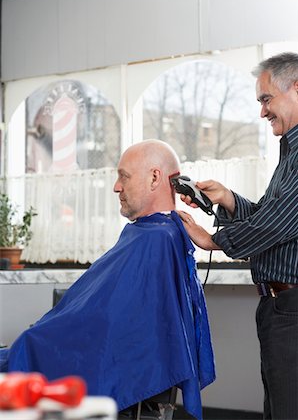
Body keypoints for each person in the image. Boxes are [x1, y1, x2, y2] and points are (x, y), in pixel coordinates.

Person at [0, 139, 215, 420]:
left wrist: (36, 339)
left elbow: (107, 327)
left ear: (154, 178)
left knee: (16, 360)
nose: (116, 186)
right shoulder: (153, 234)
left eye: (123, 176)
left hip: (53, 351)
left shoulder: (156, 239)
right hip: (57, 340)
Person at [178, 52, 298, 420]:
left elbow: (278, 223)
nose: (262, 111)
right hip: (278, 307)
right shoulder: (290, 153)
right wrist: (227, 199)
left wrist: (210, 239)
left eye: (266, 99)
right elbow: (269, 213)